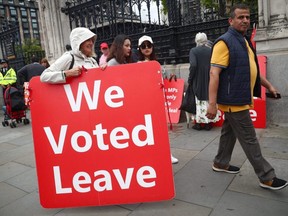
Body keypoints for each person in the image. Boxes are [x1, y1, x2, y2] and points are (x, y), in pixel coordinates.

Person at [206, 4, 287, 190]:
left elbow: (253, 70)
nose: (245, 20)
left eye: (247, 17)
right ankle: (266, 176)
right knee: (250, 138)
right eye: (241, 17)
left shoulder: (244, 41)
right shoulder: (224, 42)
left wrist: (270, 86)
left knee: (229, 132)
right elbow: (214, 74)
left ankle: (220, 162)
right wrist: (212, 104)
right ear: (231, 20)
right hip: (234, 100)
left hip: (238, 97)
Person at [138, 35, 179, 164]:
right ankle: (149, 154)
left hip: (158, 101)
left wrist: (170, 78)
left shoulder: (157, 63)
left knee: (162, 129)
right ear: (139, 49)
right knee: (147, 130)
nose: (146, 48)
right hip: (145, 102)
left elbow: (163, 79)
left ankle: (167, 153)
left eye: (148, 45)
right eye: (143, 46)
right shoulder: (137, 65)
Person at [188, 32, 219, 131]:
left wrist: (190, 78)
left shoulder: (193, 51)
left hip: (198, 78)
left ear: (196, 40)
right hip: (210, 76)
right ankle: (208, 123)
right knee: (209, 98)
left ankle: (199, 123)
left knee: (199, 101)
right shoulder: (210, 51)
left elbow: (193, 65)